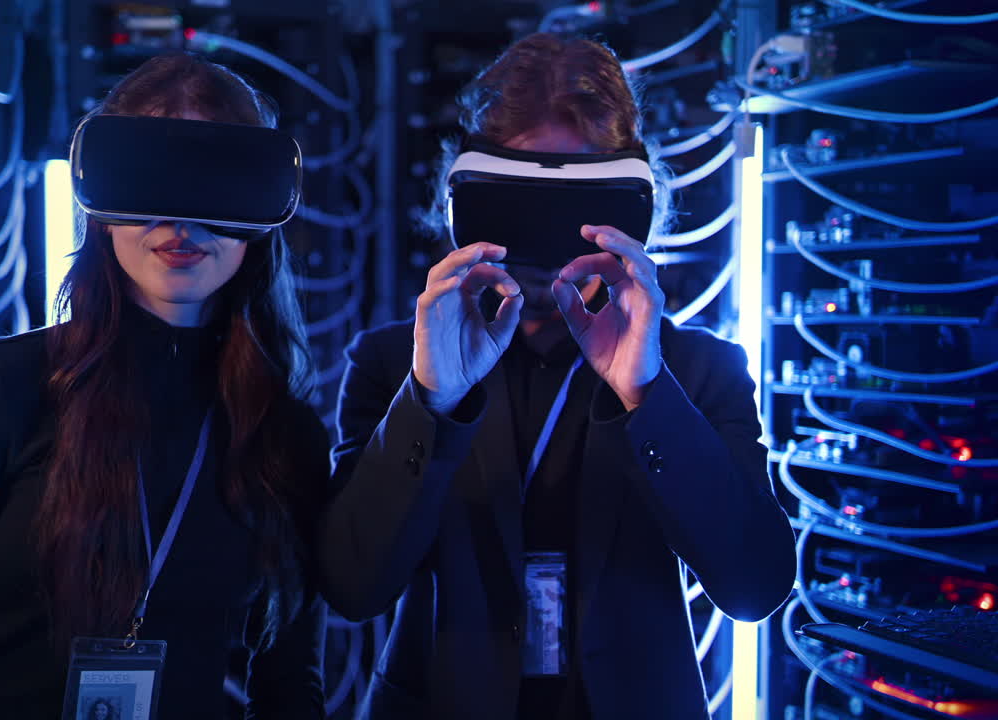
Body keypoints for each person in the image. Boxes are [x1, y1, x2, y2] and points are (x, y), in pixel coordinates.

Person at [319, 33, 796, 719]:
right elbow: (350, 586)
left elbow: (753, 586)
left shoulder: (697, 369)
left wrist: (646, 393)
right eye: (516, 204)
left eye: (578, 211)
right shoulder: (398, 363)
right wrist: (432, 400)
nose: (545, 245)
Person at [0, 53, 328, 719]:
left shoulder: (283, 431)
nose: (178, 222)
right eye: (149, 180)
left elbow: (289, 686)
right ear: (99, 204)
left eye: (213, 184)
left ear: (260, 212)